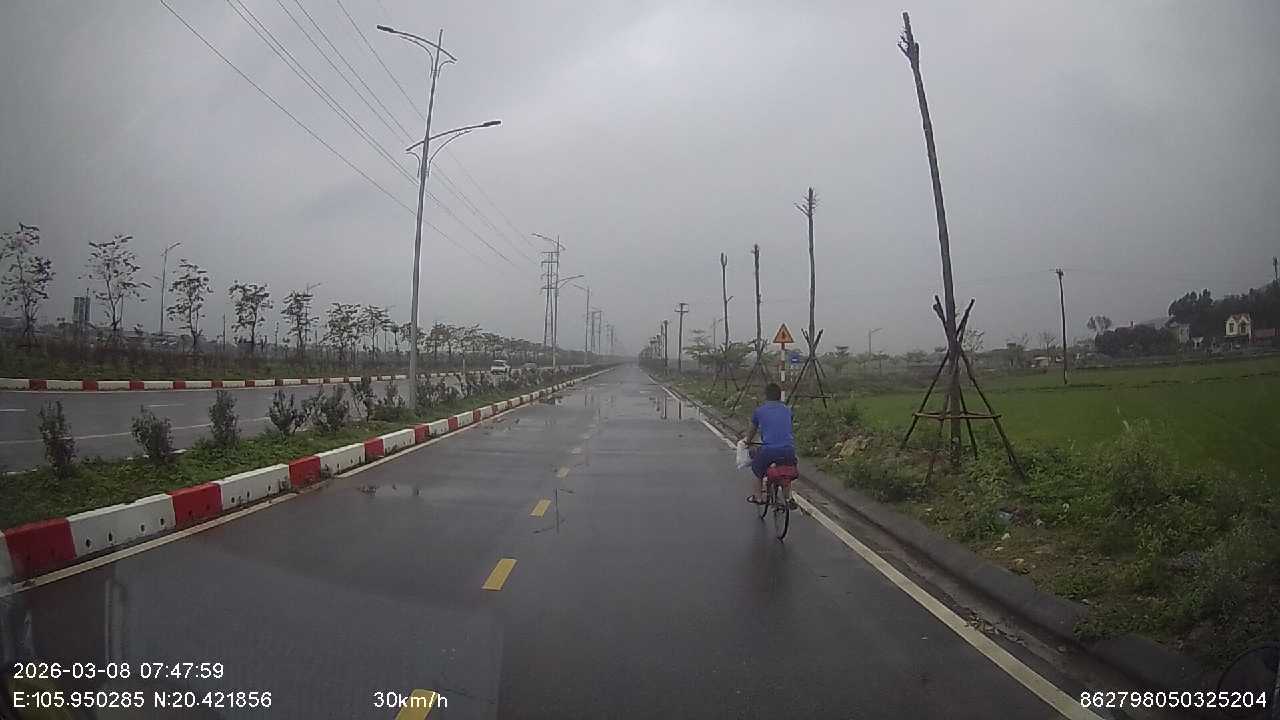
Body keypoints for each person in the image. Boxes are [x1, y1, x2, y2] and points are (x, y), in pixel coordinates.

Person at [742, 382, 798, 509]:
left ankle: (758, 496)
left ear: (765, 396)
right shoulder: (788, 410)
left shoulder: (759, 411)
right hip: (789, 450)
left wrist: (747, 441)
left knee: (757, 468)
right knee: (786, 472)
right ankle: (788, 498)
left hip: (769, 450)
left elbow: (752, 430)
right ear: (779, 396)